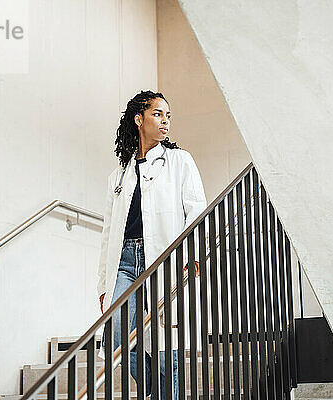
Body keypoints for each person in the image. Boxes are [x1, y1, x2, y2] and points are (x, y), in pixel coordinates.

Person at [97, 90, 207, 399]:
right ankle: (152, 387)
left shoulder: (179, 161)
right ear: (138, 119)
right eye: (158, 114)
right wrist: (103, 283)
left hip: (162, 257)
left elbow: (196, 209)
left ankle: (163, 393)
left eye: (168, 115)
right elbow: (108, 232)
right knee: (117, 333)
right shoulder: (119, 175)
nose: (165, 121)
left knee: (164, 340)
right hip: (125, 261)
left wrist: (192, 253)